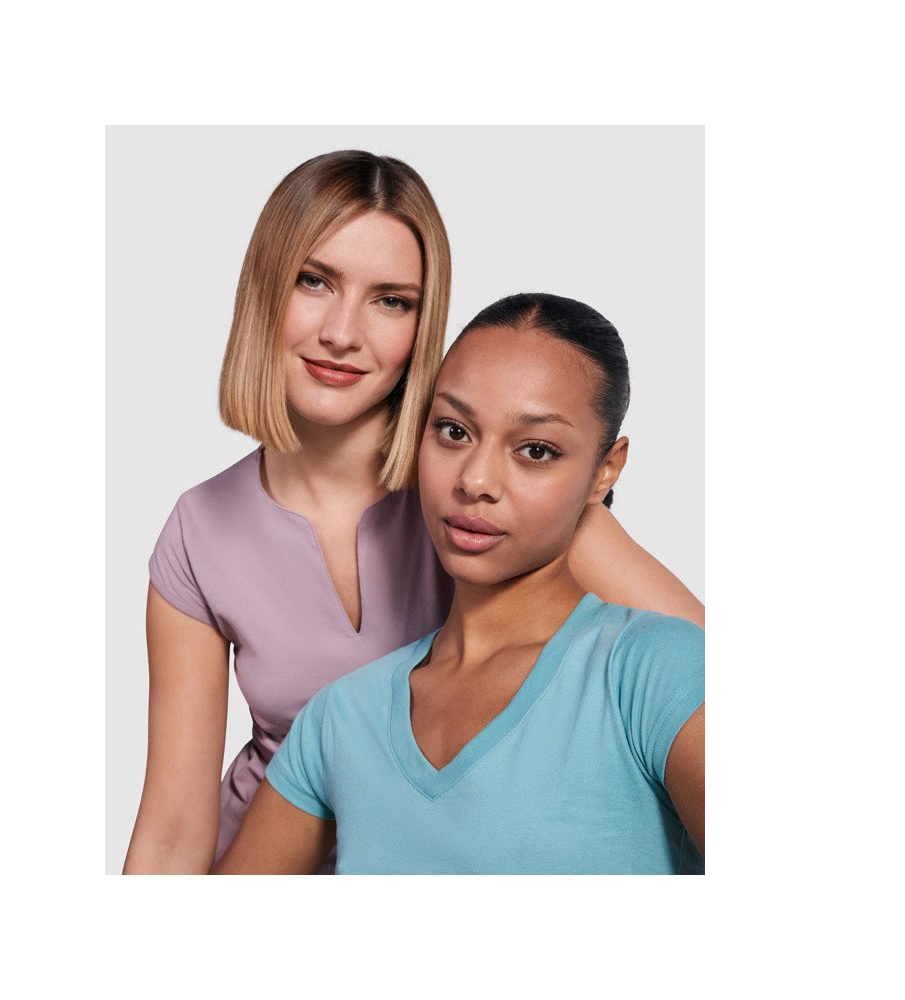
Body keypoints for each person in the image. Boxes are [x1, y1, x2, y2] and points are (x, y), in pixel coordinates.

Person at [123, 152, 704, 875]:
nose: (342, 332)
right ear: (264, 289)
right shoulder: (200, 529)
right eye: (314, 280)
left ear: (425, 326)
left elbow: (694, 688)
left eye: (391, 300)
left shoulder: (489, 502)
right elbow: (173, 828)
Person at [213, 293, 704, 875]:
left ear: (606, 470)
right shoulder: (341, 717)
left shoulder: (657, 672)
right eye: (453, 430)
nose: (475, 480)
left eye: (536, 450)